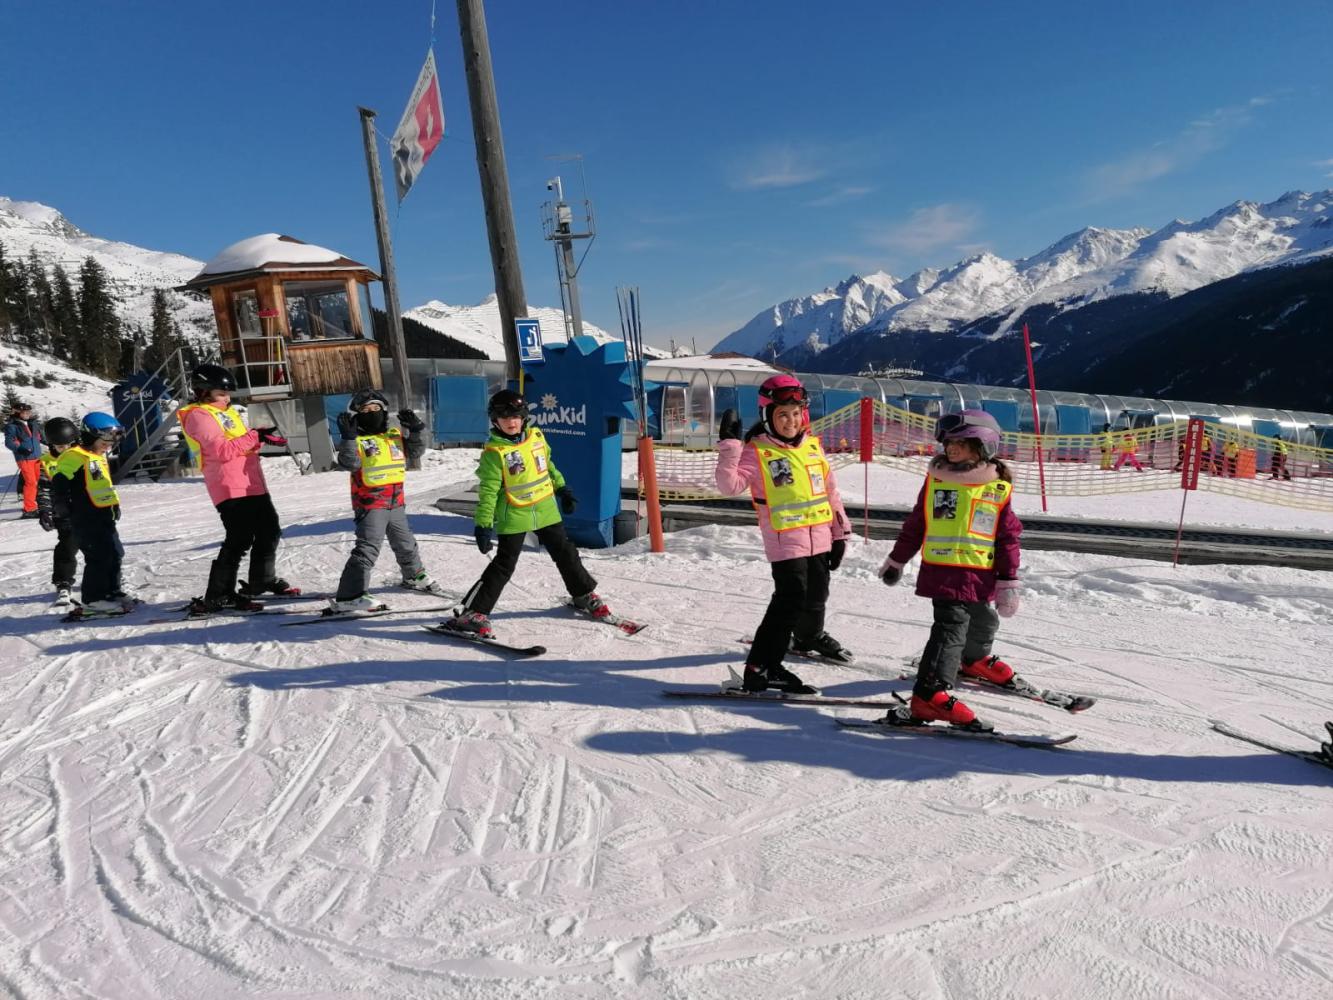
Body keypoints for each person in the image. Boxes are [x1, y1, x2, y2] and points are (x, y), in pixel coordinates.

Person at [879, 410, 1022, 729]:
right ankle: (929, 695)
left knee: (983, 619)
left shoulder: (997, 487)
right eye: (948, 443)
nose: (951, 448)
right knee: (950, 629)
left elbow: (1007, 537)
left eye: (961, 443)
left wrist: (1008, 579)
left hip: (978, 574)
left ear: (982, 446)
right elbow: (917, 524)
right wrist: (897, 560)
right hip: (943, 573)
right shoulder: (937, 480)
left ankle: (973, 660)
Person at [714, 373, 853, 694]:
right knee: (789, 601)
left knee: (816, 594)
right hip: (785, 541)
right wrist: (730, 446)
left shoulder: (812, 447)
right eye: (782, 415)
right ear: (768, 416)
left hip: (820, 538)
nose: (791, 421)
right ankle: (762, 666)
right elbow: (729, 485)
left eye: (795, 413)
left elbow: (831, 493)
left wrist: (840, 533)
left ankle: (807, 637)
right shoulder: (758, 451)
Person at [447, 388, 612, 638]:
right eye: (504, 417)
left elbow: (548, 466)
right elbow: (488, 492)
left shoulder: (536, 437)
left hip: (545, 508)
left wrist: (563, 488)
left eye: (515, 416)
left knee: (566, 552)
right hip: (514, 513)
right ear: (495, 420)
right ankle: (473, 613)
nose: (511, 422)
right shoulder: (495, 453)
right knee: (505, 564)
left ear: (524, 417)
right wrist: (483, 525)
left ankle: (583, 594)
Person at [177, 364, 291, 613]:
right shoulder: (199, 416)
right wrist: (254, 436)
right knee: (239, 538)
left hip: (251, 483)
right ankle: (219, 594)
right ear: (203, 391)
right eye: (221, 394)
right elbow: (221, 451)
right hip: (229, 486)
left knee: (269, 531)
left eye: (228, 394)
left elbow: (240, 444)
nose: (227, 399)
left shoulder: (225, 413)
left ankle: (262, 580)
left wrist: (260, 438)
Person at [328, 389, 444, 612]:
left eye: (376, 408)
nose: (372, 413)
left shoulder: (392, 435)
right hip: (370, 504)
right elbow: (349, 463)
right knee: (368, 549)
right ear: (357, 415)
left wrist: (416, 430)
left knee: (405, 542)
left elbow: (415, 452)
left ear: (384, 411)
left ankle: (413, 574)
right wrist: (348, 438)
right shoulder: (358, 440)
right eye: (366, 410)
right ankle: (350, 596)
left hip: (396, 501)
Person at [51, 413, 134, 616]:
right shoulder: (74, 456)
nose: (108, 446)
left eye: (111, 443)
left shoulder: (97, 456)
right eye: (104, 442)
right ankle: (93, 600)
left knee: (115, 553)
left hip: (104, 515)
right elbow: (60, 478)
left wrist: (113, 505)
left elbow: (100, 485)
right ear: (90, 436)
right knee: (99, 557)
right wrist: (60, 503)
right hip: (85, 517)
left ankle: (111, 590)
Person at [36, 416, 80, 606]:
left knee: (101, 546)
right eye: (60, 446)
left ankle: (111, 577)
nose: (66, 449)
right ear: (51, 445)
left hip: (89, 510)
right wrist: (45, 510)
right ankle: (63, 582)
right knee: (67, 546)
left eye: (69, 445)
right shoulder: (47, 463)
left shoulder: (83, 456)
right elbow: (44, 489)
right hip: (64, 512)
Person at [4, 401, 44, 517]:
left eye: (28, 412)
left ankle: (36, 505)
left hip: (37, 457)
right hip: (24, 458)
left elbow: (41, 437)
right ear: (17, 413)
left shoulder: (33, 424)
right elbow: (9, 442)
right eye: (24, 412)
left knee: (37, 482)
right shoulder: (12, 426)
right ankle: (29, 510)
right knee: (31, 482)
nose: (27, 414)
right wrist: (20, 449)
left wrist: (52, 444)